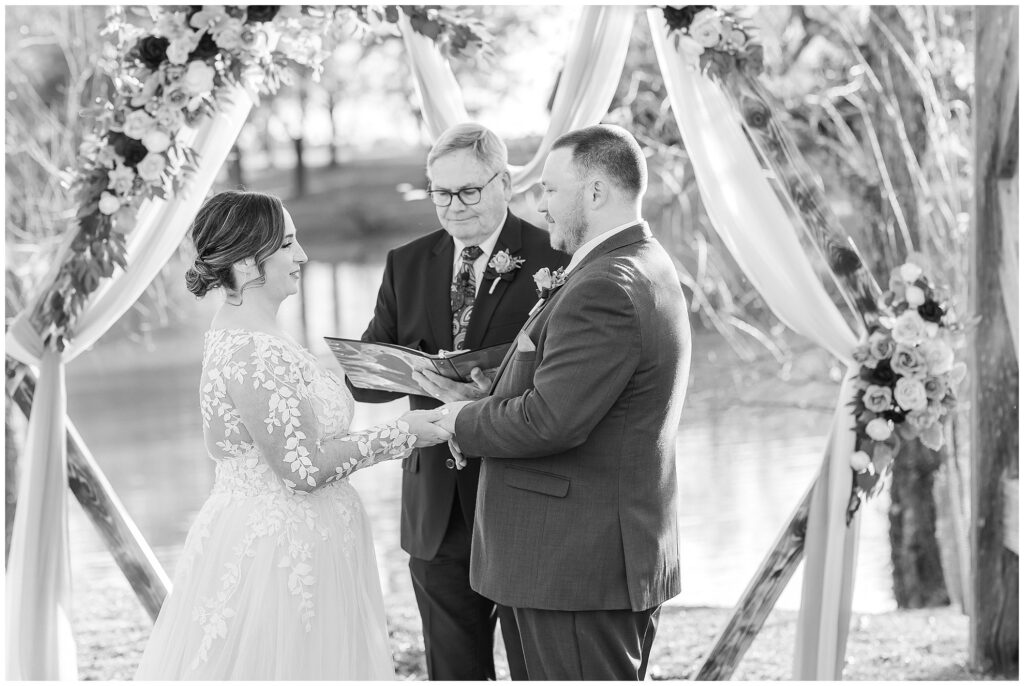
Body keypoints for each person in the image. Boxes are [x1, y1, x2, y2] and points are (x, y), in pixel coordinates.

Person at [135, 190, 452, 680]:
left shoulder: (249, 334)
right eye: (286, 244)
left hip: (300, 535)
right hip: (281, 549)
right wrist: (401, 433)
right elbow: (302, 470)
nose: (301, 255)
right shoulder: (256, 352)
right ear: (245, 261)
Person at [434, 125, 692, 680]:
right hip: (575, 560)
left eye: (551, 190)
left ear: (595, 193)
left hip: (575, 565)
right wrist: (490, 390)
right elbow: (575, 393)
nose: (540, 205)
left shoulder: (607, 286)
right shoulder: (640, 263)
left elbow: (551, 421)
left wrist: (460, 419)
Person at [350, 122, 569, 680]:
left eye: (467, 191)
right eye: (440, 193)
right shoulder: (407, 262)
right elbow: (368, 380)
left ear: (504, 183)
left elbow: (567, 382)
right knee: (453, 672)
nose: (453, 207)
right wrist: (411, 374)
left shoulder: (555, 257)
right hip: (435, 508)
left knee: (536, 668)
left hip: (522, 496)